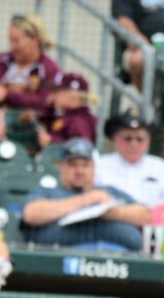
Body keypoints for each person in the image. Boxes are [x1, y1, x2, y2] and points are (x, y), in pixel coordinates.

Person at [21, 137, 151, 252]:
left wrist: (113, 212)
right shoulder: (49, 191)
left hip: (120, 262)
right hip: (60, 264)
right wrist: (86, 200)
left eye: (85, 165)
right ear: (60, 166)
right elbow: (30, 214)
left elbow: (145, 215)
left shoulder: (107, 191)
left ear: (94, 167)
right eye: (73, 165)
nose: (80, 171)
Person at [0, 14, 60, 113]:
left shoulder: (49, 69)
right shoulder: (2, 60)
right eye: (10, 41)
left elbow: (46, 102)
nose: (12, 47)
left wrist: (7, 95)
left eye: (16, 41)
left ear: (35, 40)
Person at [95, 109, 164, 209]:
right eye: (127, 138)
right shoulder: (99, 165)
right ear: (115, 139)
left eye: (139, 139)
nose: (133, 145)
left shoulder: (160, 167)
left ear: (149, 141)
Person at [112, 0, 164, 92]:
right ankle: (151, 102)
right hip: (145, 47)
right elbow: (123, 21)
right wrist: (143, 45)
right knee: (137, 60)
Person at [37, 72, 96, 148]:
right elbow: (47, 121)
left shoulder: (78, 121)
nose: (52, 96)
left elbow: (80, 150)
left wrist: (52, 141)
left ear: (72, 96)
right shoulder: (67, 115)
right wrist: (49, 108)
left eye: (57, 92)